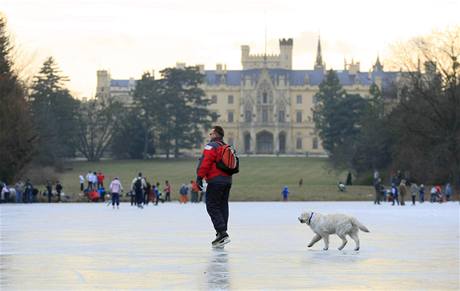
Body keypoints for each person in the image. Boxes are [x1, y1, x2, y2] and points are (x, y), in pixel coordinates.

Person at [196, 126, 233, 248]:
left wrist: (199, 177)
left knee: (212, 205)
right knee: (222, 205)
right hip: (227, 181)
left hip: (215, 180)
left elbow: (205, 162)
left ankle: (222, 233)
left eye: (211, 133)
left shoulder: (211, 146)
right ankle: (221, 233)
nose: (209, 135)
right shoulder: (226, 146)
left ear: (216, 134)